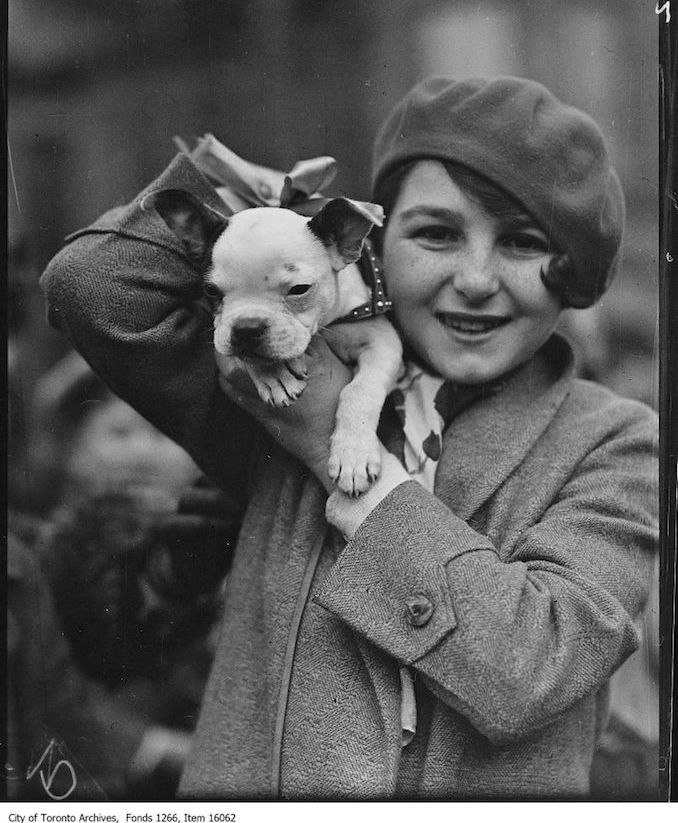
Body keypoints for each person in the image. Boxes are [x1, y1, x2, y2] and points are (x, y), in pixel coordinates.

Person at [40, 76, 658, 799]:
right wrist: (256, 202)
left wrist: (326, 442)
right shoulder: (275, 371)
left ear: (572, 275)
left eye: (523, 244)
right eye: (435, 233)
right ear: (369, 241)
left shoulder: (615, 442)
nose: (477, 280)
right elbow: (92, 285)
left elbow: (530, 669)